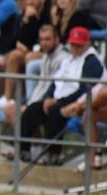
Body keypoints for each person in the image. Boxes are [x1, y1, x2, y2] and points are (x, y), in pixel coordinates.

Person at [19, 27, 103, 165]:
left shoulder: (92, 61)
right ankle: (23, 150)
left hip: (76, 101)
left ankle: (53, 154)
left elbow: (85, 89)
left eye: (78, 45)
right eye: (73, 44)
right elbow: (55, 82)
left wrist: (59, 101)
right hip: (58, 98)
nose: (75, 48)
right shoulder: (68, 59)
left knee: (55, 112)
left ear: (87, 44)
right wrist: (48, 98)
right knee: (32, 109)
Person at [0, 0, 51, 108]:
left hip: (45, 53)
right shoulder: (24, 15)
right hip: (27, 51)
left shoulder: (48, 13)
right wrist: (26, 21)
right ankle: (10, 99)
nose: (30, 2)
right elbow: (18, 40)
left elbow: (46, 38)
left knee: (17, 56)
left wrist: (27, 46)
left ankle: (10, 98)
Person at [0, 25, 68, 130]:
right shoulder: (46, 56)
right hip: (38, 100)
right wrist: (31, 102)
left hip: (52, 102)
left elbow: (54, 87)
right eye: (41, 39)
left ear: (57, 40)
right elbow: (41, 85)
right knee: (8, 109)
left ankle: (33, 144)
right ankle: (36, 144)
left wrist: (33, 105)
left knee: (18, 113)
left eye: (48, 39)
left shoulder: (63, 59)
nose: (44, 43)